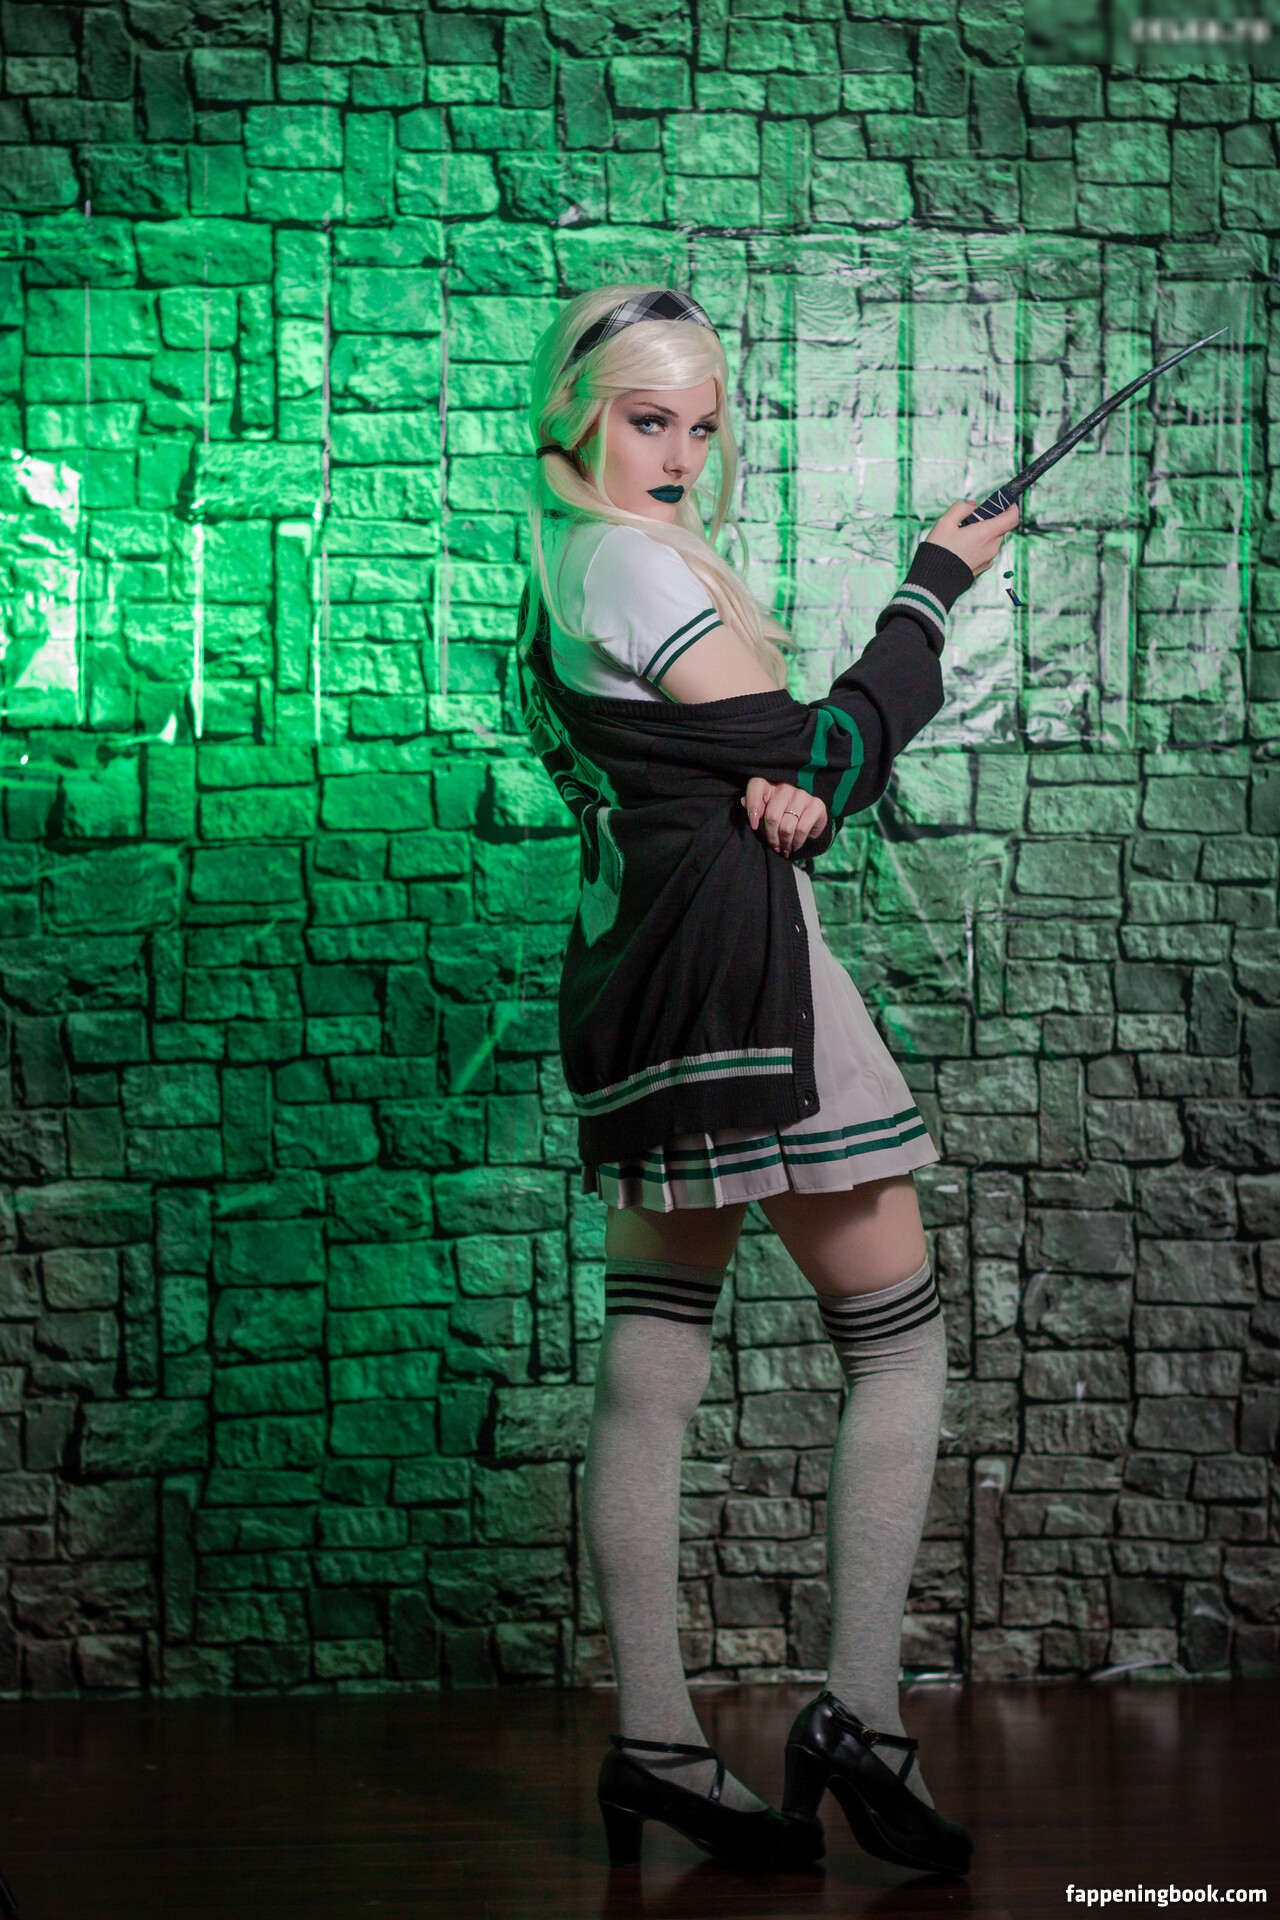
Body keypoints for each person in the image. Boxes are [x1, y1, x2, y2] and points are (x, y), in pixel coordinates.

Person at [516, 284, 1018, 1877]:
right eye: (646, 418)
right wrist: (934, 587)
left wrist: (784, 781)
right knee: (900, 1338)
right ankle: (856, 1714)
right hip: (745, 989)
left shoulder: (559, 566)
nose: (677, 453)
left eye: (701, 425)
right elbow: (820, 754)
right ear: (578, 411)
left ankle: (660, 1746)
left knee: (653, 1364)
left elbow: (745, 767)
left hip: (649, 990)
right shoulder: (632, 562)